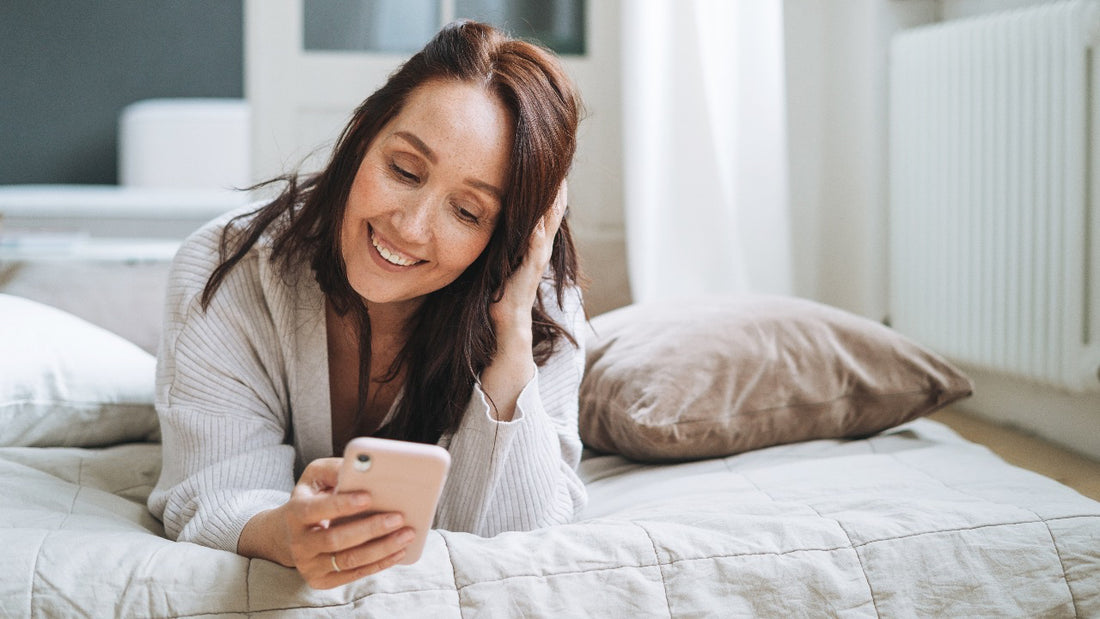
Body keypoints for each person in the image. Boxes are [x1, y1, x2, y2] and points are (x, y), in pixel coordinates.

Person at [147, 20, 587, 589]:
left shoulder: (538, 302)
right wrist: (287, 534)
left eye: (468, 212)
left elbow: (520, 540)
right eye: (404, 170)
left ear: (507, 235)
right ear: (363, 137)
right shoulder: (227, 268)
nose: (410, 227)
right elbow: (211, 489)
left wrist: (510, 345)